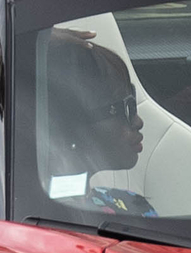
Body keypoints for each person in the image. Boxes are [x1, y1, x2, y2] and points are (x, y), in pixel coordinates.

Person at [42, 34, 154, 216]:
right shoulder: (132, 210)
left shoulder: (135, 206)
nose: (138, 122)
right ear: (67, 123)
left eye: (132, 101)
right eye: (125, 107)